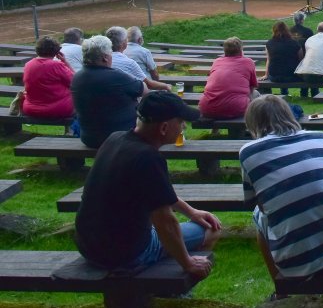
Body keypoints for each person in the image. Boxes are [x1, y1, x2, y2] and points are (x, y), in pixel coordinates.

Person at [74, 91, 221, 276]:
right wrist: (187, 263)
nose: (184, 126)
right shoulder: (148, 158)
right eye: (181, 122)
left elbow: (159, 193)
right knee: (211, 229)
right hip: (125, 254)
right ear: (164, 128)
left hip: (89, 246)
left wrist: (191, 212)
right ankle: (179, 284)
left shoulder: (115, 139)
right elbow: (165, 222)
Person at [240, 95, 323, 285]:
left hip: (294, 263)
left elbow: (260, 206)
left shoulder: (248, 153)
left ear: (252, 124)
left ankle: (279, 285)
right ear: (288, 114)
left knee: (258, 217)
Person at [72, 35, 147, 148]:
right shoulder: (117, 76)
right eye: (111, 53)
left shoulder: (77, 77)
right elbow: (145, 91)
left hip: (89, 138)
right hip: (120, 137)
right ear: (105, 58)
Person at [199, 37, 259, 119]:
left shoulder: (217, 61)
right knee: (256, 94)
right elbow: (252, 86)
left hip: (206, 108)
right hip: (235, 108)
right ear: (241, 49)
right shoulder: (248, 62)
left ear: (224, 50)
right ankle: (255, 125)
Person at [22, 36, 75, 124]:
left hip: (31, 109)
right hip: (58, 109)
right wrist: (65, 62)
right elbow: (76, 82)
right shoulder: (56, 65)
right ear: (56, 51)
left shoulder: (28, 64)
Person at [106, 26, 171, 92]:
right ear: (124, 43)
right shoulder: (131, 62)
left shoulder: (104, 60)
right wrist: (165, 86)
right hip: (138, 90)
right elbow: (150, 81)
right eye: (125, 39)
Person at [263, 21, 303, 96]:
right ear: (287, 30)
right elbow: (301, 60)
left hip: (274, 76)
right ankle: (304, 94)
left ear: (274, 31)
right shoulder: (295, 43)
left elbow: (269, 60)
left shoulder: (269, 43)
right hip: (292, 75)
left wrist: (266, 75)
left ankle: (284, 93)